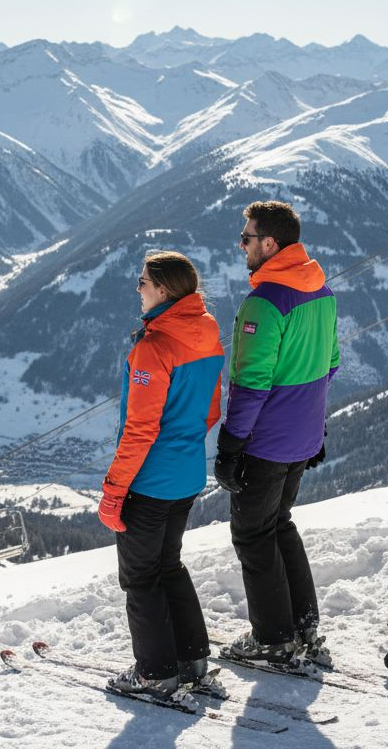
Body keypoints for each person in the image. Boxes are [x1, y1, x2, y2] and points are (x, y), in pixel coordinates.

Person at [214, 200, 340, 667]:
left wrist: (231, 444)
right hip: (301, 438)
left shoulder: (264, 302)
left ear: (269, 243)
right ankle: (302, 624)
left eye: (245, 238)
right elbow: (329, 365)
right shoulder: (321, 291)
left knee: (252, 535)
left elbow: (251, 384)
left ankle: (273, 638)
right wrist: (315, 424)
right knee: (278, 523)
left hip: (265, 442)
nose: (241, 246)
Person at [97, 250, 225, 699]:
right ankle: (191, 660)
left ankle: (154, 673)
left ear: (164, 290)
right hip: (188, 474)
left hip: (150, 480)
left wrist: (114, 489)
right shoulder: (207, 332)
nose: (137, 288)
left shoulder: (154, 346)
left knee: (140, 577)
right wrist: (183, 446)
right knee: (168, 565)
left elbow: (140, 428)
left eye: (143, 281)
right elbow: (211, 410)